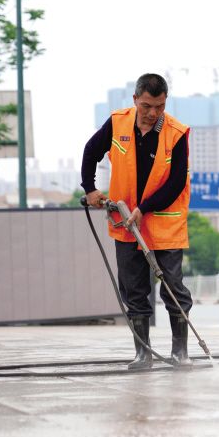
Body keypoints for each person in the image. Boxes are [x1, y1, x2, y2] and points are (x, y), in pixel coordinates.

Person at [81, 73, 194, 369]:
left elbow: (176, 182)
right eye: (146, 106)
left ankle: (180, 352)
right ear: (135, 100)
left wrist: (144, 208)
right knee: (133, 288)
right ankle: (143, 353)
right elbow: (91, 152)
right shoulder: (118, 123)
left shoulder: (177, 133)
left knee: (172, 286)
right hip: (127, 226)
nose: (152, 113)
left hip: (164, 224)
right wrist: (90, 189)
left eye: (158, 106)